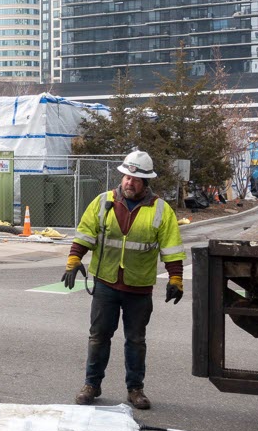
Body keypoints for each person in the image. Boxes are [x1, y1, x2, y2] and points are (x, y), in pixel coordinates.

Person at [62, 149, 185, 410]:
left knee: (136, 341)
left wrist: (176, 278)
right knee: (98, 337)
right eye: (126, 177)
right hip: (106, 282)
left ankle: (135, 389)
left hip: (138, 287)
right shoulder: (103, 202)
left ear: (145, 182)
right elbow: (85, 233)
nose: (129, 182)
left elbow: (171, 247)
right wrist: (74, 260)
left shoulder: (161, 210)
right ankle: (91, 385)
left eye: (135, 179)